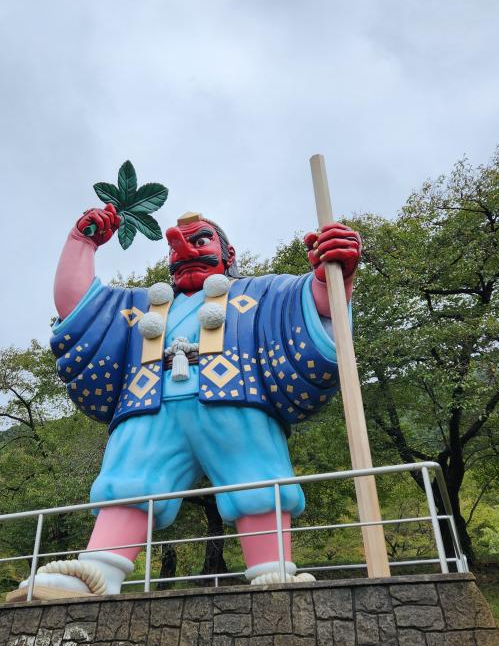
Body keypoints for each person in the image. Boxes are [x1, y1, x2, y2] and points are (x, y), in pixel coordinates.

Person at [21, 205, 361, 597]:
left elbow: (316, 305)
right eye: (175, 249)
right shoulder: (141, 305)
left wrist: (333, 272)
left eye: (201, 240)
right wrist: (82, 243)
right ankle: (98, 571)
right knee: (127, 482)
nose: (185, 251)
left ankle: (274, 570)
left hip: (238, 397)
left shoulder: (261, 293)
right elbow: (81, 309)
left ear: (228, 254)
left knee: (257, 478)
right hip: (149, 403)